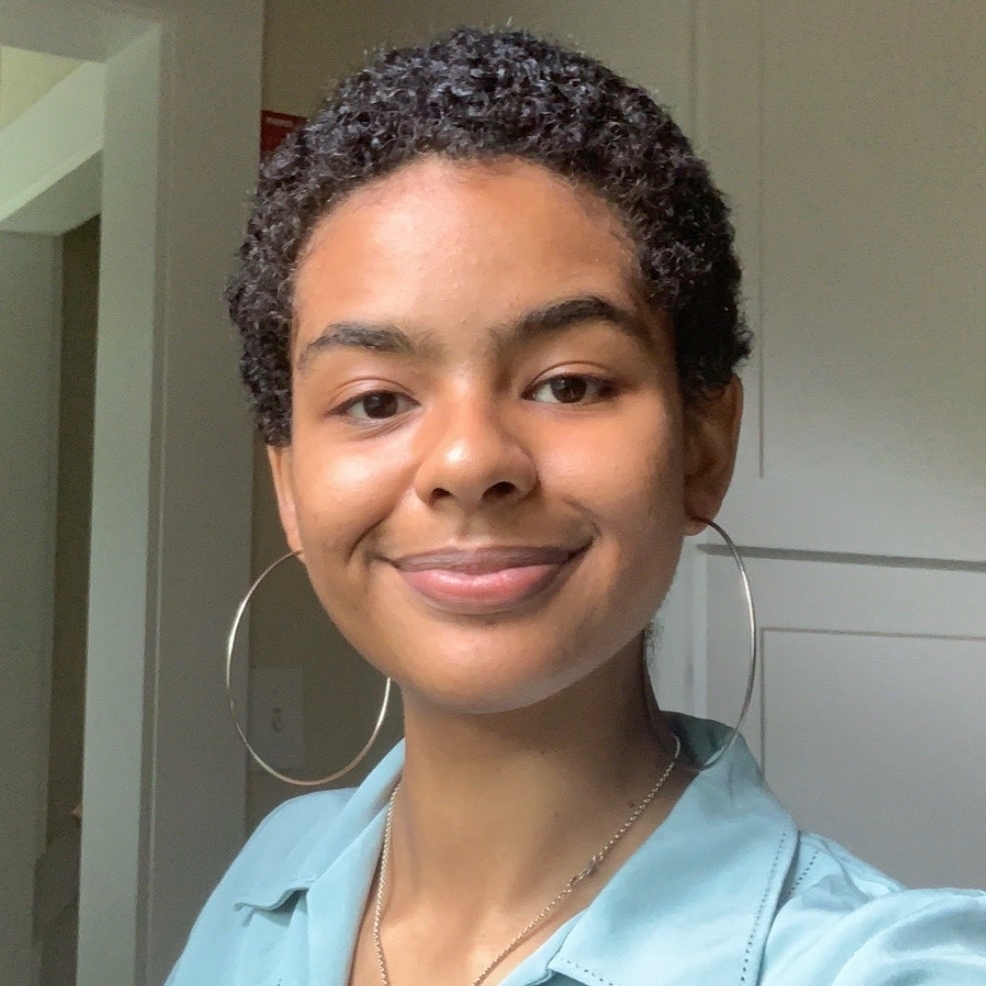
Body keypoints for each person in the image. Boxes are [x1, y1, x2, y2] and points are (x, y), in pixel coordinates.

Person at [167, 27, 986, 986]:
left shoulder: (875, 962)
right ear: (290, 487)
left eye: (569, 384)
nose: (469, 462)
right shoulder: (272, 874)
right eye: (376, 401)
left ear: (703, 447)